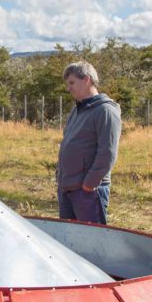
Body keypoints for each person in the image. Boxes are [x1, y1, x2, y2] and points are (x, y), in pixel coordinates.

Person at [56, 61, 122, 224]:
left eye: (72, 82)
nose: (68, 88)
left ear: (86, 80)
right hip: (67, 188)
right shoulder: (77, 109)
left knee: (92, 242)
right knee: (68, 241)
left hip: (87, 192)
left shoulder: (105, 110)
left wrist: (89, 185)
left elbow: (107, 153)